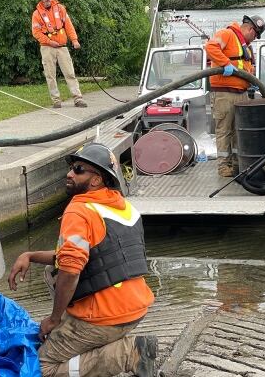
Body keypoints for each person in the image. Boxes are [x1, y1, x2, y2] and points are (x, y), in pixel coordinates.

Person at [8, 143, 157, 377]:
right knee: (52, 267)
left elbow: (70, 269)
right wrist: (30, 255)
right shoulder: (124, 209)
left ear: (96, 180)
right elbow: (96, 258)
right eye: (71, 168)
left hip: (105, 316)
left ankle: (127, 353)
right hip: (135, 307)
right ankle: (110, 349)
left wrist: (54, 319)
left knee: (41, 368)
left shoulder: (79, 211)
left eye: (78, 169)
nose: (69, 173)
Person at [204, 15, 265, 177]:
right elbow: (210, 47)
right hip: (225, 93)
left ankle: (239, 164)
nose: (255, 39)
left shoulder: (246, 46)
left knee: (239, 131)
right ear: (251, 29)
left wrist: (250, 79)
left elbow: (246, 67)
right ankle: (224, 167)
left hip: (242, 93)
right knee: (225, 130)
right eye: (256, 35)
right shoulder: (227, 34)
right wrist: (225, 64)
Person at [31, 0, 87, 109]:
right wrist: (49, 42)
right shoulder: (36, 14)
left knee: (70, 73)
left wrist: (74, 40)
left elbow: (68, 25)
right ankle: (56, 100)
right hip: (47, 47)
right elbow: (36, 33)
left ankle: (78, 98)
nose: (48, 0)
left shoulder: (60, 8)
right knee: (50, 75)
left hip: (62, 46)